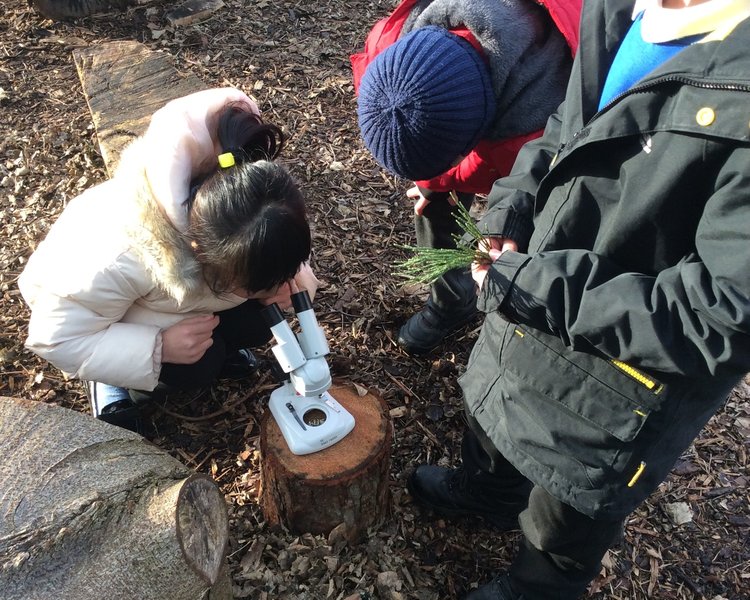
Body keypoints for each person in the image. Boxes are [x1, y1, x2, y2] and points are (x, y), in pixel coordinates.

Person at [406, 0, 750, 598]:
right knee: (495, 413)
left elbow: (721, 317)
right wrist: (511, 207)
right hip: (530, 302)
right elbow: (567, 128)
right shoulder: (619, 9)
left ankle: (535, 586)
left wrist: (539, 285)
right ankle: (487, 494)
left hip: (616, 383)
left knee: (563, 515)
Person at [19, 87, 319, 432]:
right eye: (254, 283)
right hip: (97, 317)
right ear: (199, 250)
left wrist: (296, 278)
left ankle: (219, 350)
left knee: (260, 321)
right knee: (197, 367)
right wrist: (156, 347)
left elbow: (274, 242)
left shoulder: (254, 195)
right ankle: (110, 383)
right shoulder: (119, 254)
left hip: (185, 296)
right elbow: (54, 337)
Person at [351, 0, 582, 355]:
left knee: (534, 236)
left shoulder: (544, 121)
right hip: (472, 117)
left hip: (549, 138)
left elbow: (507, 172)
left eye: (450, 160)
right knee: (429, 197)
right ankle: (453, 300)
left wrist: (507, 226)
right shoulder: (396, 40)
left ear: (479, 133)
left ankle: (518, 329)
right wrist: (433, 182)